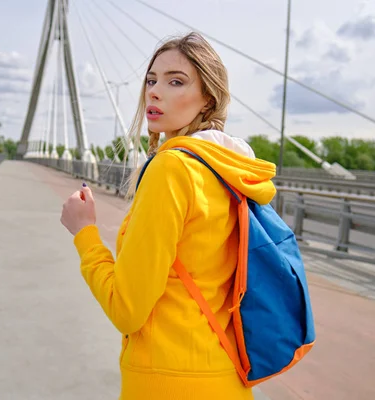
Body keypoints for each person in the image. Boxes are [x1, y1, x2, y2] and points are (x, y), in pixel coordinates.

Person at [60, 32, 277, 400]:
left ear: (208, 98)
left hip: (168, 381)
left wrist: (84, 233)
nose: (154, 92)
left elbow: (127, 310)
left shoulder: (172, 169)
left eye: (175, 81)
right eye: (151, 80)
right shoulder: (229, 171)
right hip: (225, 378)